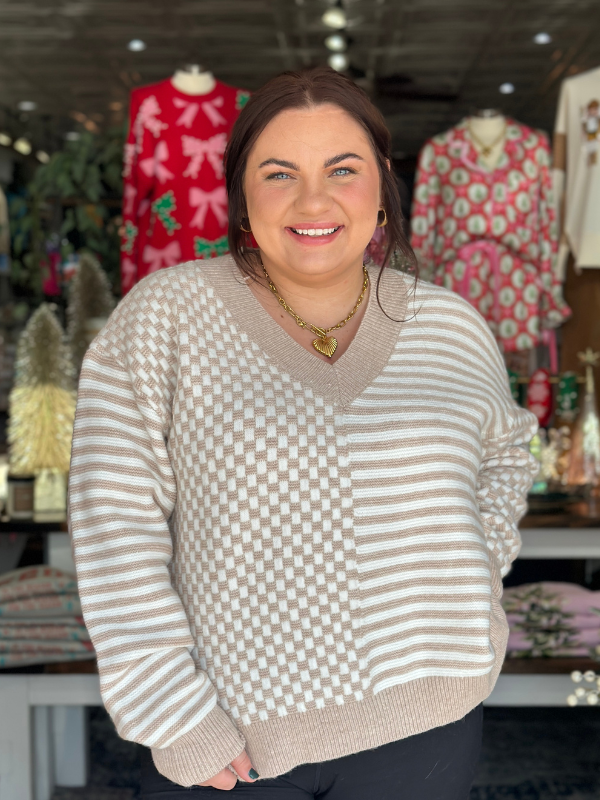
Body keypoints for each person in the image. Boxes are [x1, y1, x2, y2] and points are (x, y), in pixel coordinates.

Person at [68, 66, 539, 799]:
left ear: (382, 186)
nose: (313, 200)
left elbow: (508, 455)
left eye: (342, 170)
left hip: (427, 724)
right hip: (229, 743)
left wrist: (472, 583)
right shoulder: (166, 318)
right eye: (279, 172)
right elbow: (113, 523)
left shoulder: (450, 327)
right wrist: (170, 713)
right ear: (243, 195)